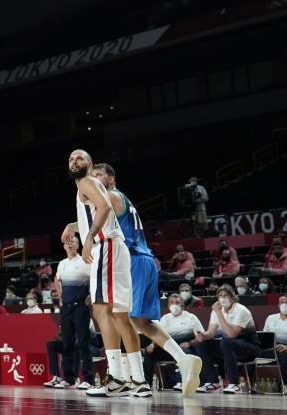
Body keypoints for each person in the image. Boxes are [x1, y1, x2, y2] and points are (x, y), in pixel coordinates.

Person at [92, 162, 202, 396]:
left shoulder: (110, 196)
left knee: (119, 316)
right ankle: (183, 360)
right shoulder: (120, 199)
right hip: (145, 260)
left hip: (131, 260)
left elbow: (95, 223)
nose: (94, 179)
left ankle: (127, 379)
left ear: (111, 179)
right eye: (91, 176)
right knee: (140, 321)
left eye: (98, 175)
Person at [60, 150, 138, 398]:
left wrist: (90, 237)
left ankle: (117, 378)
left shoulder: (86, 181)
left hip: (106, 245)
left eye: (79, 159)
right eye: (71, 159)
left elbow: (104, 207)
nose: (74, 162)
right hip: (114, 246)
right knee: (120, 315)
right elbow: (97, 210)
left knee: (102, 310)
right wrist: (74, 227)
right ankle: (136, 379)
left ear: (89, 164)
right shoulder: (88, 185)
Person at [45, 235, 93, 390]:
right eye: (67, 242)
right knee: (67, 344)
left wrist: (92, 294)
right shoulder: (62, 264)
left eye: (72, 241)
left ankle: (87, 379)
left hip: (81, 306)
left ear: (78, 246)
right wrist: (60, 297)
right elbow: (57, 279)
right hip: (66, 307)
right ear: (64, 247)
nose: (69, 243)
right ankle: (69, 379)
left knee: (83, 343)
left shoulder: (85, 260)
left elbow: (95, 278)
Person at [195, 284, 261, 394]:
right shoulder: (216, 311)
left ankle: (235, 384)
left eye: (226, 295)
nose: (223, 298)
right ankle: (213, 383)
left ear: (233, 297)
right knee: (202, 344)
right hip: (230, 346)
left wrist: (219, 313)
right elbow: (211, 333)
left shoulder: (241, 310)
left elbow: (231, 334)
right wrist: (203, 335)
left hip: (250, 347)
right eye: (220, 296)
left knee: (226, 341)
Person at [143, 293, 206, 390]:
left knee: (184, 353)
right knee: (148, 352)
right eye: (172, 303)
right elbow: (158, 335)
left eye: (177, 302)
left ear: (182, 306)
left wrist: (189, 343)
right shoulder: (165, 318)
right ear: (168, 306)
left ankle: (182, 382)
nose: (174, 305)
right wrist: (152, 344)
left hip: (185, 345)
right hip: (168, 346)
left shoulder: (191, 317)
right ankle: (147, 383)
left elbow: (200, 337)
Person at [261, 295, 287, 394]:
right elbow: (264, 336)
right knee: (252, 352)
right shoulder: (270, 318)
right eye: (282, 303)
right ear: (278, 305)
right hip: (272, 348)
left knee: (282, 353)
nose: (284, 305)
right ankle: (251, 383)